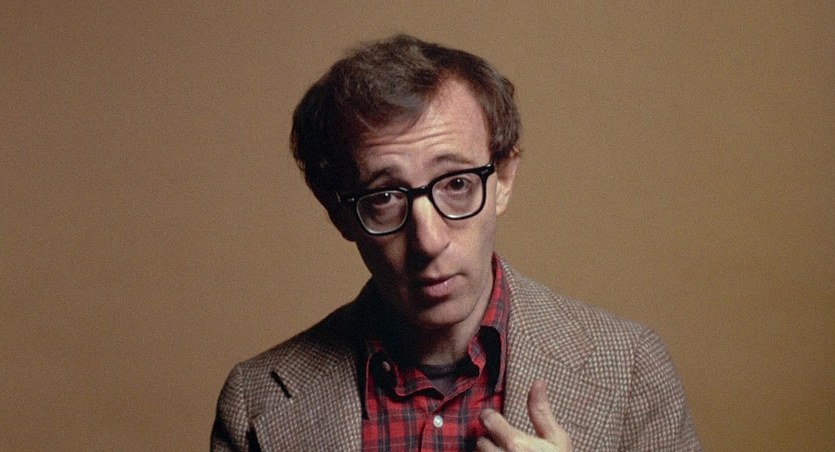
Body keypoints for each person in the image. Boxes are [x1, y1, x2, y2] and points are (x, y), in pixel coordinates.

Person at [211, 34, 702, 451]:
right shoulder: (255, 402)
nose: (428, 241)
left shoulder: (632, 369)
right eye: (385, 197)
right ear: (340, 213)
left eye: (457, 184)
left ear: (503, 178)